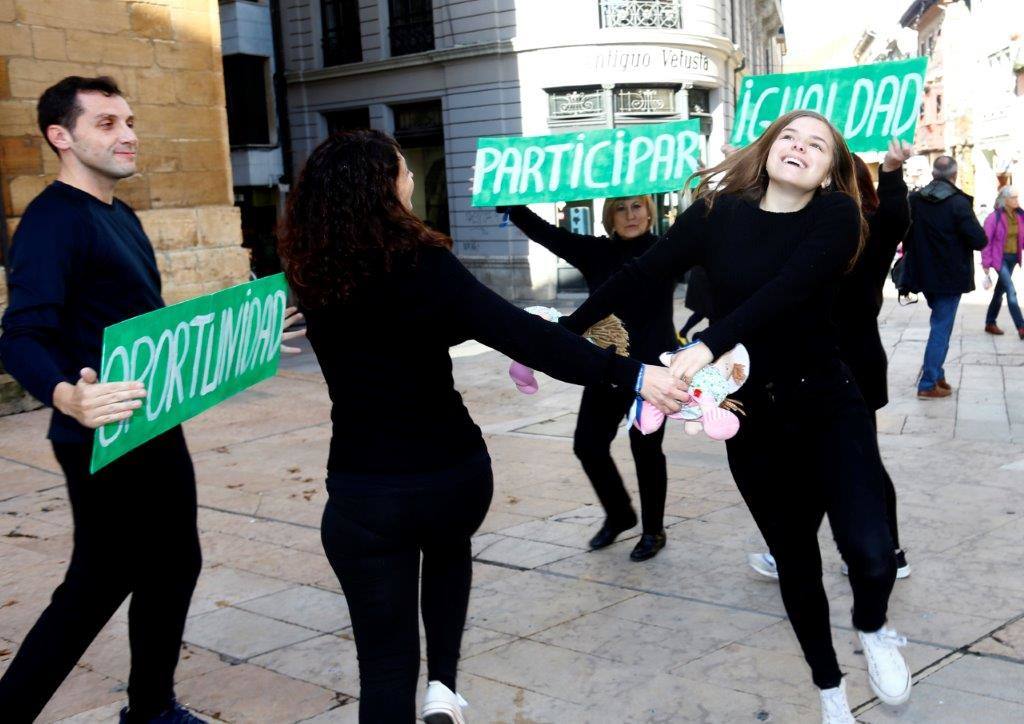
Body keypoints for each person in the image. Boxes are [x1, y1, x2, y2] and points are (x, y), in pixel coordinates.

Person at [275, 129, 686, 724]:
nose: (411, 180)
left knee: (384, 668)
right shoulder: (424, 263)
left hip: (365, 490)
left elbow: (380, 334)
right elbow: (524, 338)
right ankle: (444, 687)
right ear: (381, 188)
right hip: (449, 474)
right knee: (447, 551)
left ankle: (429, 690)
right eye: (402, 170)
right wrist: (634, 376)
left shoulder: (311, 273)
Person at [560, 110, 911, 723]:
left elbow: (788, 289)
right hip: (752, 417)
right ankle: (830, 692)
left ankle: (874, 627)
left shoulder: (836, 215)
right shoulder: (718, 214)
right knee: (795, 558)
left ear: (830, 168)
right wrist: (568, 330)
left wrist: (703, 345)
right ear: (769, 148)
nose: (799, 148)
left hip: (829, 402)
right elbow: (641, 274)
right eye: (790, 138)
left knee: (873, 551)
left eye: (817, 145)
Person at [0, 76, 205, 724]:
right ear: (61, 137)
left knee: (176, 561)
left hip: (153, 424)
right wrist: (67, 396)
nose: (130, 134)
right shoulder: (50, 221)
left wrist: (232, 337)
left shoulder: (122, 214)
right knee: (97, 583)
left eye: (131, 121)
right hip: (98, 434)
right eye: (108, 123)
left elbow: (143, 320)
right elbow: (21, 334)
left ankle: (149, 708)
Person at [747, 142, 914, 583]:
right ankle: (798, 552)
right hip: (811, 366)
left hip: (850, 366)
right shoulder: (808, 236)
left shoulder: (867, 237)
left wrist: (894, 171)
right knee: (823, 462)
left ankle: (885, 551)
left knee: (854, 462)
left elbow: (896, 218)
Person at [498, 196, 675, 560]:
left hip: (653, 370)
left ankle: (653, 532)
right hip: (606, 366)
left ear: (649, 211)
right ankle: (620, 514)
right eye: (622, 209)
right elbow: (549, 235)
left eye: (638, 207)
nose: (631, 215)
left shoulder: (667, 248)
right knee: (588, 445)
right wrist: (512, 205)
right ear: (610, 215)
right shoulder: (597, 251)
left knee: (646, 449)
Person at [901, 156, 988, 398]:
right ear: (954, 174)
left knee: (941, 324)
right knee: (941, 327)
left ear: (933, 173)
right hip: (949, 276)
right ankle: (928, 383)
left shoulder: (915, 200)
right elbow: (979, 240)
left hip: (922, 274)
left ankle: (937, 374)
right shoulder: (958, 203)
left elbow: (904, 232)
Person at [981, 185, 1024, 339]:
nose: (1016, 200)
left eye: (1017, 197)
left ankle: (990, 323)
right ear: (1005, 200)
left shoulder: (1020, 216)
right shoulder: (994, 218)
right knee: (1011, 291)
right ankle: (1021, 327)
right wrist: (986, 263)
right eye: (1013, 197)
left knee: (1000, 291)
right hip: (1000, 259)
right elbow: (986, 241)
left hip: (1013, 258)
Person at [677, 266, 713, 345]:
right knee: (708, 312)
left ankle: (683, 333)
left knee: (703, 312)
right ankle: (709, 341)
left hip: (705, 281)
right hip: (705, 282)